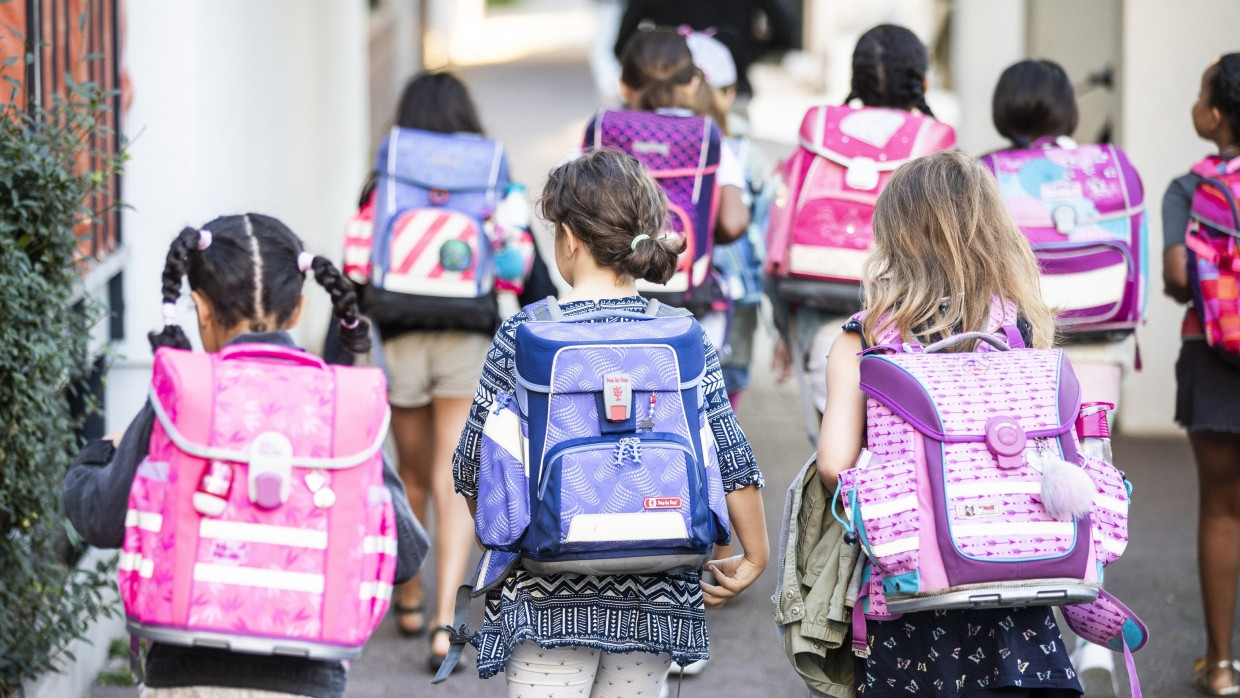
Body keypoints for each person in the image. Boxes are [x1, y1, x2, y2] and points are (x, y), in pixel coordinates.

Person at [61, 214, 428, 698]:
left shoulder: (181, 397)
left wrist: (96, 456)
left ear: (200, 309)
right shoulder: (340, 405)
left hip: (185, 672)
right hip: (308, 678)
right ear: (298, 310)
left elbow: (103, 518)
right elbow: (406, 551)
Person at [451, 149, 769, 695]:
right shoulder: (682, 335)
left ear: (569, 239)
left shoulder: (528, 333)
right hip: (657, 587)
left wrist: (508, 541)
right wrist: (755, 555)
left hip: (545, 592)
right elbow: (732, 456)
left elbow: (470, 467)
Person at [815, 151, 1082, 697]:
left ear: (893, 235)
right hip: (1018, 572)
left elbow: (833, 466)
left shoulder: (864, 338)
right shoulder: (1022, 327)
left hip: (916, 582)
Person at [985, 58, 1146, 698]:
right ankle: (1091, 630)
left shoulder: (989, 174)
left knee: (1028, 481)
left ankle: (1022, 611)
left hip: (1025, 355)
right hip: (1103, 341)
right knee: (1094, 480)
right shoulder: (1112, 167)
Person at [358, 71, 508, 669]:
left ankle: (409, 591)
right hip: (465, 328)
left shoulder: (390, 166)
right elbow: (514, 247)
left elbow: (359, 250)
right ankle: (447, 623)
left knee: (411, 472)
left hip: (398, 327)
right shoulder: (489, 166)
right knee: (454, 478)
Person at [770, 23, 953, 427]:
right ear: (921, 81)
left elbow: (776, 236)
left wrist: (784, 330)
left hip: (818, 307)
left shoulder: (820, 130)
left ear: (854, 80)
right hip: (908, 318)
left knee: (832, 452)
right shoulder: (933, 141)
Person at [1163, 52, 1240, 697]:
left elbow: (1178, 278)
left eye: (1198, 95)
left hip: (1216, 358)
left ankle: (1219, 666)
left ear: (1214, 116)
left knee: (1221, 508)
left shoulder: (1190, 189)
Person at [686, 29, 772, 410]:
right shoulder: (745, 153)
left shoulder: (660, 148)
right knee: (725, 393)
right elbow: (764, 230)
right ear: (730, 92)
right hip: (737, 294)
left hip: (675, 286)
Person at [612, 0, 797, 100]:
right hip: (730, 90)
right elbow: (786, 31)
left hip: (666, 94)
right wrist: (745, 52)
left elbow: (623, 45)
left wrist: (655, 60)